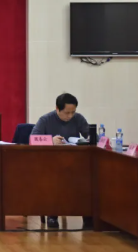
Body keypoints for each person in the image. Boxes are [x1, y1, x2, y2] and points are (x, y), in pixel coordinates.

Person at [31, 93, 91, 229]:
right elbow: (33, 139)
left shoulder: (78, 118)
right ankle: (52, 214)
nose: (70, 116)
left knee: (87, 178)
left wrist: (87, 140)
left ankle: (88, 214)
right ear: (57, 109)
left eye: (73, 112)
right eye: (67, 112)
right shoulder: (46, 119)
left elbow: (92, 137)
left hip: (74, 162)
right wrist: (50, 141)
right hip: (51, 163)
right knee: (54, 178)